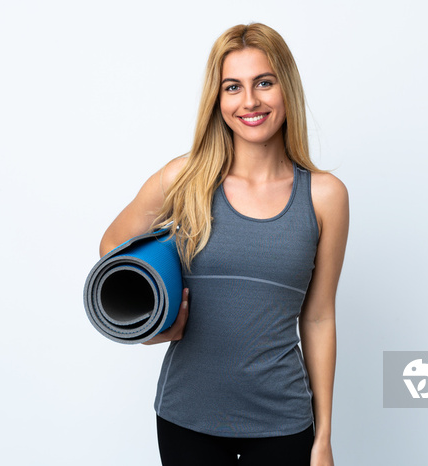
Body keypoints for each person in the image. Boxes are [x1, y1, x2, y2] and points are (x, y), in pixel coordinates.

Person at [99, 23, 349, 466]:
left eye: (264, 83)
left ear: (286, 88)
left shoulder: (325, 196)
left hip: (284, 422)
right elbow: (113, 247)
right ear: (218, 100)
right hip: (186, 417)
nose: (249, 101)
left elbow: (319, 316)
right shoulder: (185, 177)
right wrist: (156, 326)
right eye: (233, 87)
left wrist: (323, 438)